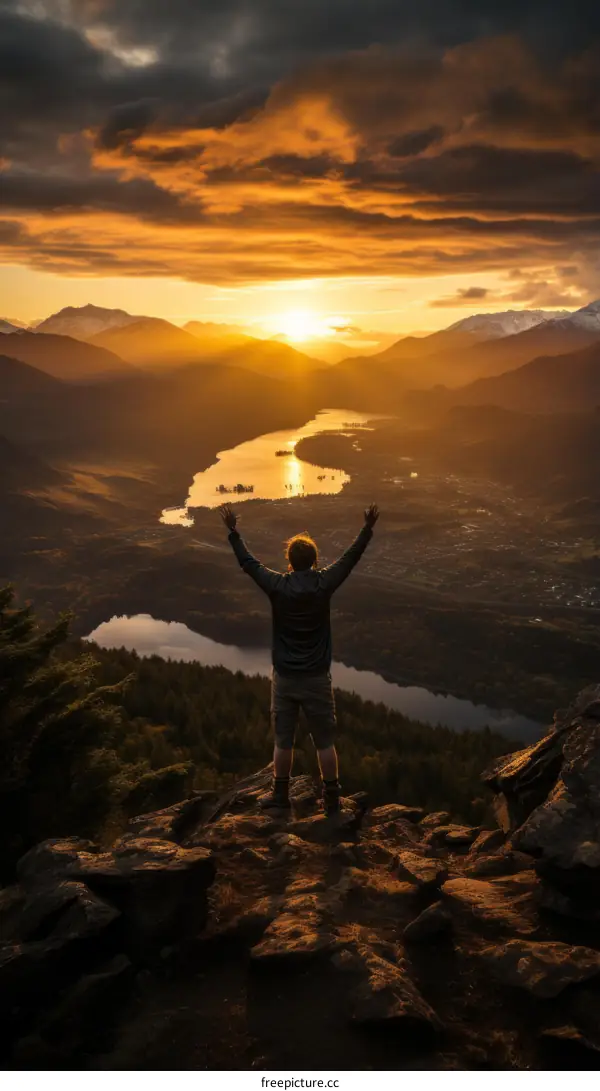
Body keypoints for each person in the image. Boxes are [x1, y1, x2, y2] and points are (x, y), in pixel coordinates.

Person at [219, 501, 380, 814]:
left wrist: (234, 533)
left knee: (283, 740)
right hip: (317, 677)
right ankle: (332, 800)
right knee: (324, 741)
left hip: (285, 678)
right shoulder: (324, 584)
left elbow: (249, 564)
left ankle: (280, 796)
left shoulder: (278, 586)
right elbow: (350, 558)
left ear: (289, 562)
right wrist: (367, 528)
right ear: (315, 560)